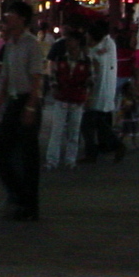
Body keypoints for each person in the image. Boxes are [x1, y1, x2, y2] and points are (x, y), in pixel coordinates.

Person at [0, 0, 45, 220]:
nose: (6, 18)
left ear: (22, 19)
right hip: (13, 101)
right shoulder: (9, 45)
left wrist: (31, 106)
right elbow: (4, 79)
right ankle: (18, 196)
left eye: (10, 14)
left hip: (27, 101)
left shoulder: (31, 44)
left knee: (28, 157)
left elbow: (36, 78)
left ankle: (29, 205)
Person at [44, 26, 92, 170]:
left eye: (70, 41)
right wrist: (54, 87)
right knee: (57, 131)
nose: (68, 44)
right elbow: (53, 75)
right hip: (62, 97)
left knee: (73, 131)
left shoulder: (86, 61)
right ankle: (52, 160)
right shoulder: (61, 58)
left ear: (77, 42)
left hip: (77, 98)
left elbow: (91, 80)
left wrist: (87, 96)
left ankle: (70, 160)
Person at [81, 18, 126, 163]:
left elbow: (95, 72)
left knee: (89, 124)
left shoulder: (95, 52)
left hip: (97, 93)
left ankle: (101, 150)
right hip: (105, 92)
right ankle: (109, 146)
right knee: (99, 123)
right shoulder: (108, 44)